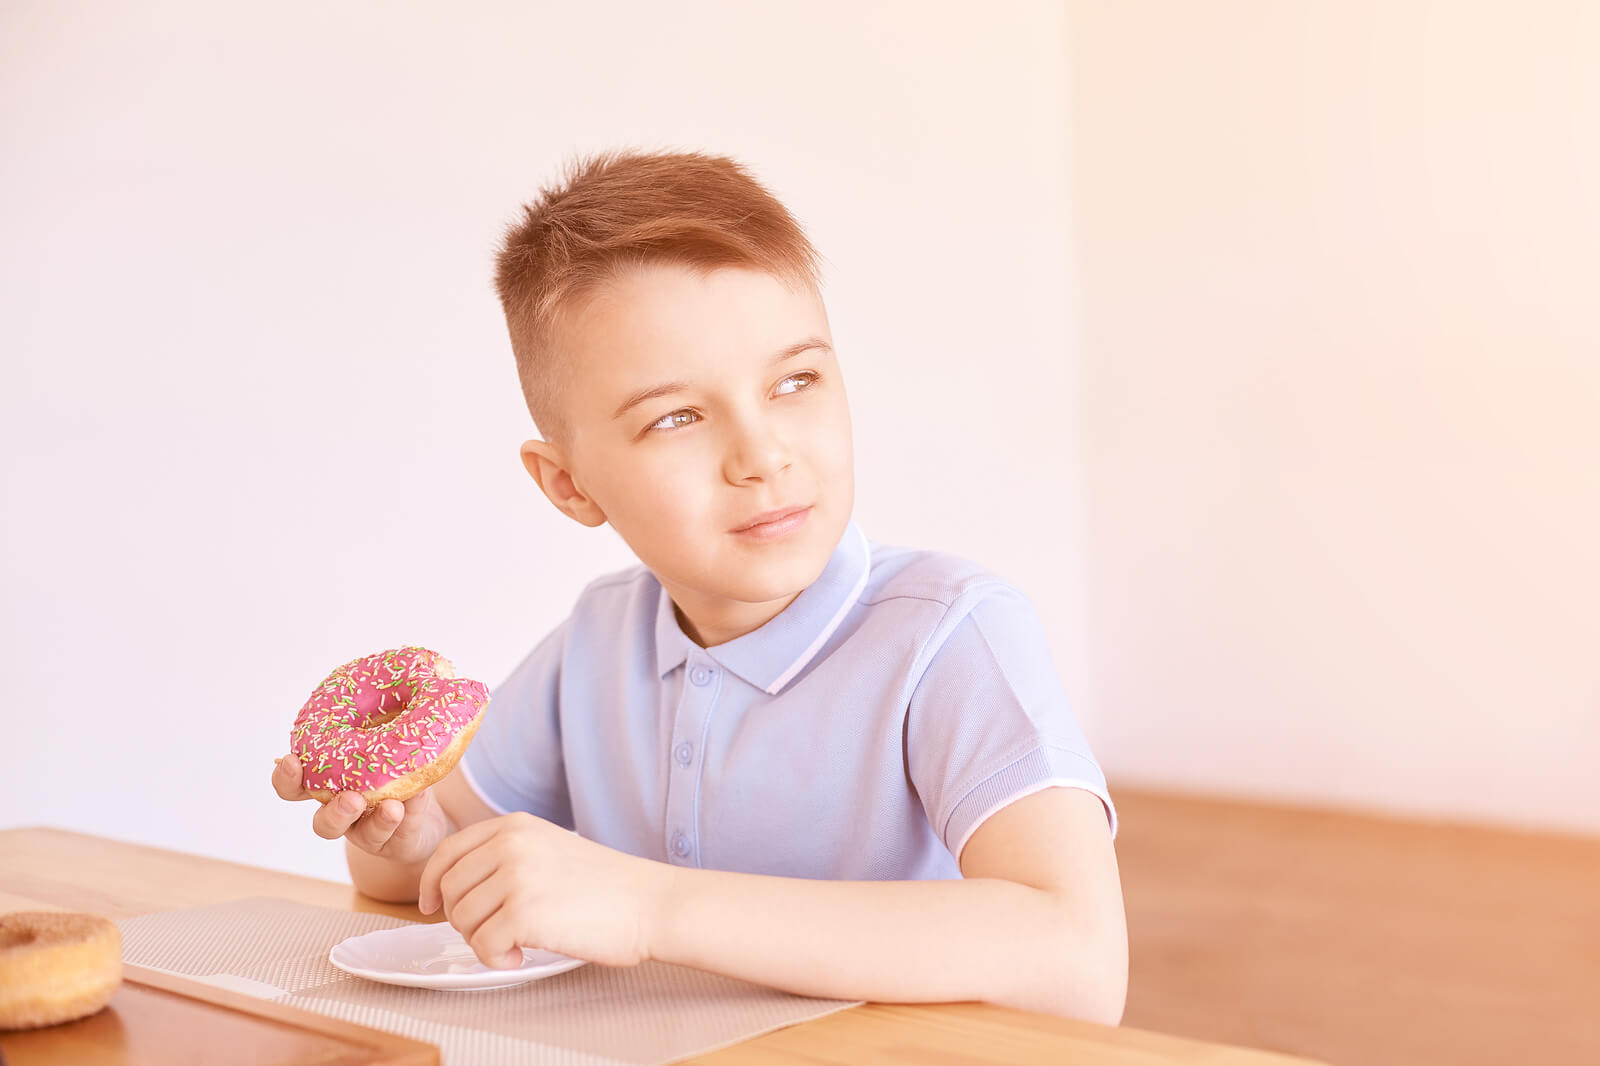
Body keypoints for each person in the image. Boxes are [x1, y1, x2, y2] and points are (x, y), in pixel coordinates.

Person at [273, 148, 1126, 1023]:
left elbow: (1077, 958)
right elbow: (404, 872)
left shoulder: (950, 634)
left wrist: (650, 909)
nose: (762, 456)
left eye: (795, 381)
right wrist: (413, 838)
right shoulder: (598, 641)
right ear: (570, 485)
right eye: (677, 416)